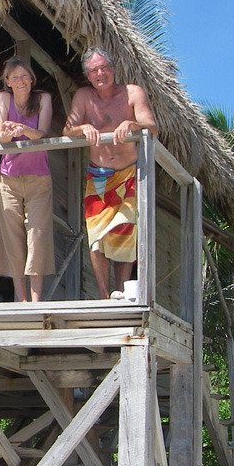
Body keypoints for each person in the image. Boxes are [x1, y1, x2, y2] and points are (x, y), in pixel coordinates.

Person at [62, 47, 157, 299]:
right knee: (97, 236)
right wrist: (82, 127)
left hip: (128, 174)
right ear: (88, 75)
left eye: (104, 67)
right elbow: (67, 130)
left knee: (125, 229)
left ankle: (122, 290)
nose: (100, 73)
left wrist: (132, 124)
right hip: (98, 175)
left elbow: (152, 126)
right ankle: (105, 295)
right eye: (94, 70)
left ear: (113, 69)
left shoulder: (132, 93)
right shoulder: (84, 96)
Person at [0, 57, 55, 302]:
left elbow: (42, 133)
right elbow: (2, 138)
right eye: (14, 77)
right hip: (8, 178)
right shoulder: (2, 99)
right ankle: (21, 299)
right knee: (12, 237)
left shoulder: (43, 99)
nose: (20, 81)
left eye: (24, 76)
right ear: (7, 82)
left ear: (32, 79)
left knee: (37, 235)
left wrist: (23, 130)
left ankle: (36, 300)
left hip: (39, 177)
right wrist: (9, 132)